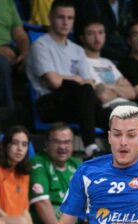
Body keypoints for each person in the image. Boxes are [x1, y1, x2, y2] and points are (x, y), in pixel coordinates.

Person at [26, 0, 106, 158]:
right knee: (86, 93)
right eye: (61, 17)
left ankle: (125, 155)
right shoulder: (40, 46)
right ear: (50, 17)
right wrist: (76, 79)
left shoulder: (77, 50)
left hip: (75, 102)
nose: (65, 22)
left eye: (70, 18)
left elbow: (91, 82)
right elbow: (54, 82)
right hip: (49, 104)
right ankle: (90, 146)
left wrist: (67, 79)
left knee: (113, 115)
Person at [29, 123, 81, 224]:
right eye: (56, 142)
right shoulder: (38, 163)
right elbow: (41, 202)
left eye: (67, 142)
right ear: (46, 144)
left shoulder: (77, 165)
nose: (62, 147)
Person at [80, 19, 138, 109]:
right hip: (109, 109)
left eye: (100, 33)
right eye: (91, 34)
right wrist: (120, 88)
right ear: (82, 38)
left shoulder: (107, 62)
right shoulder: (81, 62)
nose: (97, 38)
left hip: (130, 105)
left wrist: (110, 87)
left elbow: (132, 93)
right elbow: (102, 96)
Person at [0, 125, 35, 224]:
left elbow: (25, 210)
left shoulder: (24, 174)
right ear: (6, 145)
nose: (20, 149)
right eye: (15, 143)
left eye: (24, 144)